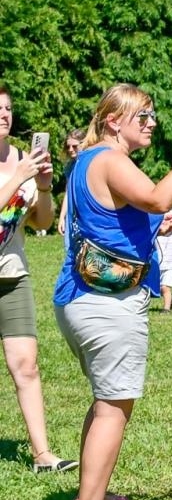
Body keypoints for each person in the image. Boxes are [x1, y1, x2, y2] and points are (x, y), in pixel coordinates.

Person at [55, 84, 172, 500]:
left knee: (104, 400)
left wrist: (152, 224)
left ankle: (91, 494)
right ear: (114, 121)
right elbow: (157, 198)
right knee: (114, 406)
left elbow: (113, 218)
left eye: (152, 116)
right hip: (106, 306)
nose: (151, 123)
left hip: (78, 297)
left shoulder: (87, 160)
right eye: (143, 116)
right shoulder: (110, 159)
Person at [0, 87, 74, 473]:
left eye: (9, 107)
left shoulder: (21, 160)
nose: (4, 114)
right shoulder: (19, 168)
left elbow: (42, 222)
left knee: (26, 365)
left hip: (12, 276)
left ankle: (43, 455)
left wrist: (43, 187)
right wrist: (19, 177)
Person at [55, 129, 86, 235]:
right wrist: (62, 217)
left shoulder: (91, 164)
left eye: (74, 146)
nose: (70, 149)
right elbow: (68, 192)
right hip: (73, 215)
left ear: (83, 144)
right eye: (68, 146)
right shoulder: (69, 167)